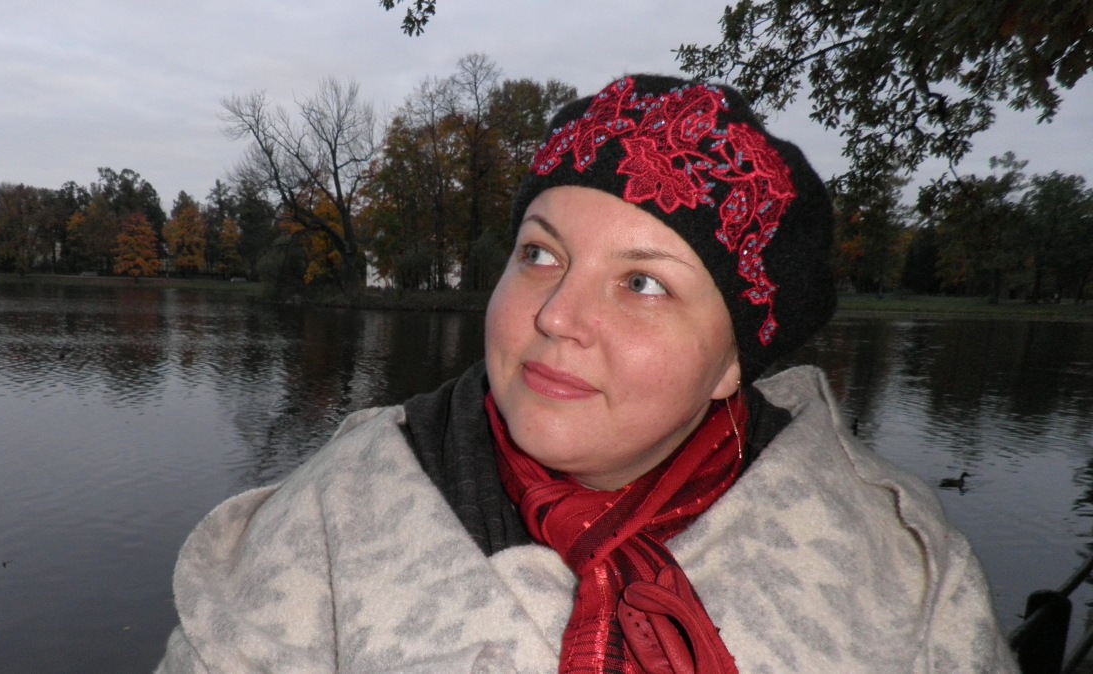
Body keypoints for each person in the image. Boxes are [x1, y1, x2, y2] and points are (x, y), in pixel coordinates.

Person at [155, 74, 1018, 673]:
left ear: (731, 363)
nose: (557, 316)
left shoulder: (901, 565)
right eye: (540, 254)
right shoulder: (330, 516)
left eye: (642, 283)